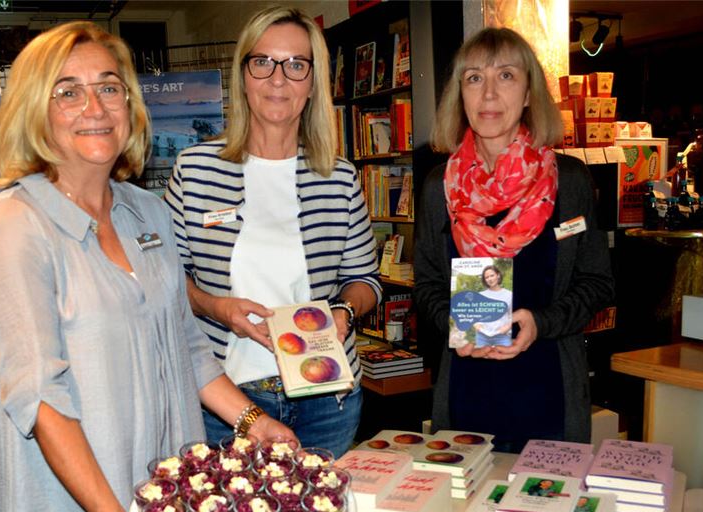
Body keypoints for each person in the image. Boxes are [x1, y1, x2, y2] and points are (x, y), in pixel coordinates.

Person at [0, 22, 293, 512]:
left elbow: (186, 346)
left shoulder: (147, 213)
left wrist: (252, 423)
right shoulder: (14, 228)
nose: (94, 107)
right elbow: (38, 396)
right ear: (34, 112)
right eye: (67, 91)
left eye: (109, 88)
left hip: (167, 504)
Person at [164, 7, 381, 458]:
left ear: (313, 82)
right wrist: (216, 307)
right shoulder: (197, 168)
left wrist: (343, 311)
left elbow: (366, 281)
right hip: (225, 401)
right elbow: (165, 279)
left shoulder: (337, 176)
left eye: (295, 65)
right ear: (243, 75)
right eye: (262, 62)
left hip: (327, 396)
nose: (278, 79)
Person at [413, 27, 615, 453]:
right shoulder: (439, 187)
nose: (488, 94)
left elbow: (598, 283)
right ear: (460, 95)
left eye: (505, 76)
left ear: (528, 94)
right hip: (466, 394)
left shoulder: (571, 181)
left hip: (549, 393)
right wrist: (453, 325)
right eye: (474, 78)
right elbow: (427, 284)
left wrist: (540, 323)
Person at [472, 264, 513, 347]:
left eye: (492, 275)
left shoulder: (509, 295)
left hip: (502, 336)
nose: (490, 279)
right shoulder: (480, 295)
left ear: (498, 275)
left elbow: (512, 316)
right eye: (487, 277)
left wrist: (507, 327)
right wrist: (477, 325)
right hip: (482, 337)